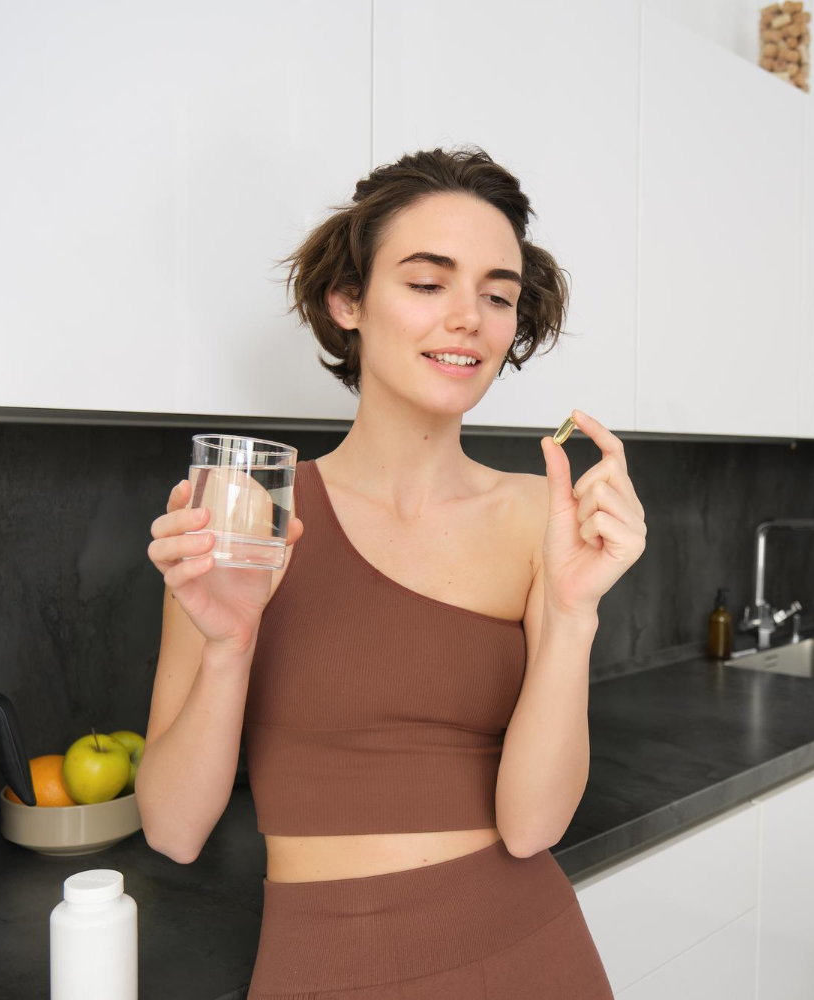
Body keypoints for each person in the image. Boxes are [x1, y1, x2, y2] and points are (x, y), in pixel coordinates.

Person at [140, 146, 647, 998]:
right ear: (349, 302)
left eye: (497, 295)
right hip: (327, 966)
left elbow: (534, 827)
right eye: (426, 282)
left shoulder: (538, 517)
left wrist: (573, 615)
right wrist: (230, 645)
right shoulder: (250, 512)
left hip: (532, 953)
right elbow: (172, 829)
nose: (469, 319)